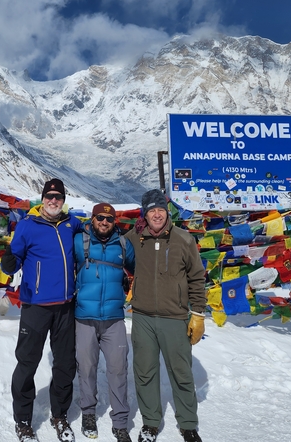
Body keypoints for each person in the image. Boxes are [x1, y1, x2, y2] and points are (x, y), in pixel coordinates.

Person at [1, 178, 83, 442]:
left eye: (58, 197)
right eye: (50, 196)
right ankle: (23, 421)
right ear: (42, 198)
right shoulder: (27, 226)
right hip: (35, 307)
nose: (53, 201)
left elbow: (98, 233)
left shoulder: (72, 224)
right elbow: (13, 263)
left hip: (65, 308)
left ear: (63, 199)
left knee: (65, 365)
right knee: (27, 363)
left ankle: (59, 416)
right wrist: (8, 264)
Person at [124, 189, 206, 442]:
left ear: (167, 211)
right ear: (144, 215)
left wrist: (198, 314)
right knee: (145, 372)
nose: (156, 214)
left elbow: (196, 277)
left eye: (160, 209)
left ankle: (188, 423)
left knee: (181, 372)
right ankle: (150, 422)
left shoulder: (183, 239)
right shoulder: (132, 238)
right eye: (151, 210)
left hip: (175, 317)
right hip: (143, 317)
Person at [74, 202, 135, 442]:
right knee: (86, 368)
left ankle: (120, 422)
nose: (104, 222)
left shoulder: (122, 244)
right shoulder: (79, 241)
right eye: (100, 218)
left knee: (118, 369)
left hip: (114, 319)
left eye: (109, 219)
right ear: (92, 219)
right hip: (84, 317)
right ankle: (88, 413)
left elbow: (139, 269)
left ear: (114, 222)